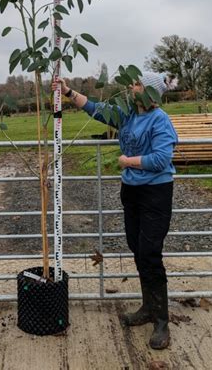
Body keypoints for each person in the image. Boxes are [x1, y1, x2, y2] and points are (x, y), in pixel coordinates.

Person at [54, 72, 178, 350]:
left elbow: (161, 159)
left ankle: (161, 322)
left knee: (150, 253)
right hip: (131, 192)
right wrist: (69, 93)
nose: (131, 87)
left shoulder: (160, 120)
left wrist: (127, 161)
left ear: (150, 93)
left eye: (136, 85)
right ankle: (147, 308)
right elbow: (98, 109)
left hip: (156, 192)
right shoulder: (127, 114)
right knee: (137, 247)